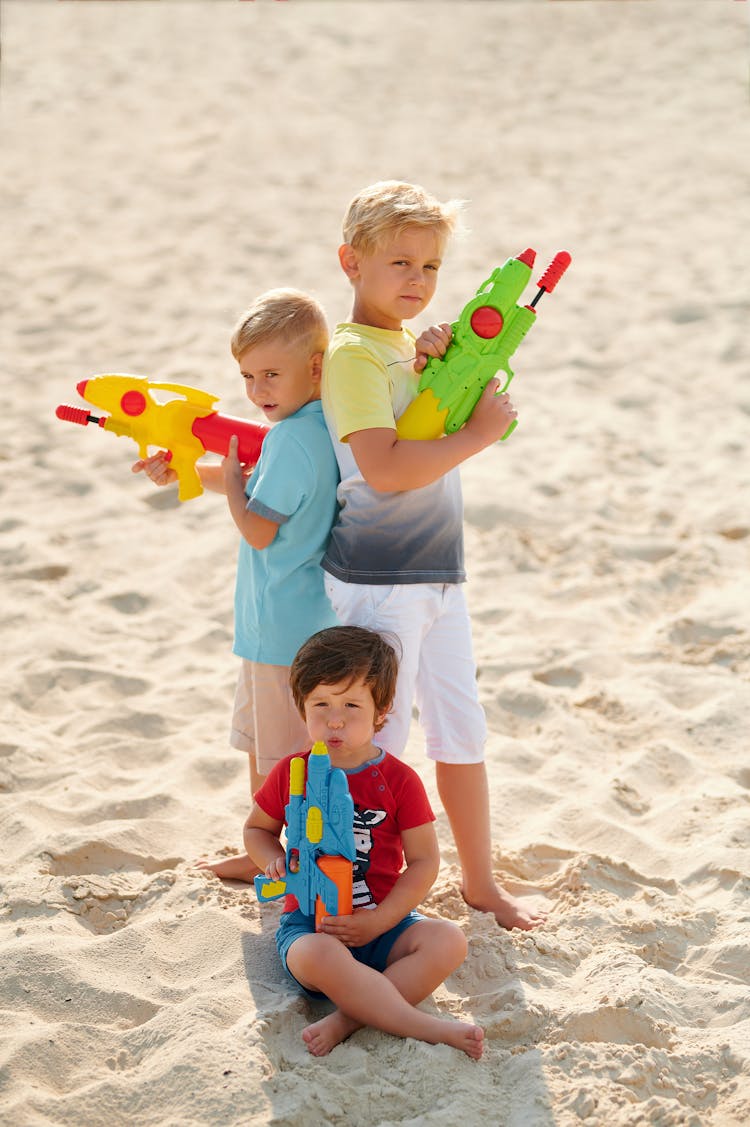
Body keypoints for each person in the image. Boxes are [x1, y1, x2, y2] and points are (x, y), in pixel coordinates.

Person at [320, 180, 546, 931]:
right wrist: (479, 436)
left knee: (462, 728)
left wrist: (441, 370)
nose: (416, 281)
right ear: (351, 262)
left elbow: (421, 426)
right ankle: (363, 895)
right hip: (380, 580)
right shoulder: (353, 355)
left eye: (431, 267)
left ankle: (479, 882)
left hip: (437, 574)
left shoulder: (400, 347)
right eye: (399, 263)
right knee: (378, 740)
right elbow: (385, 469)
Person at [132, 289, 339, 879]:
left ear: (316, 366)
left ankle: (285, 861)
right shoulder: (315, 425)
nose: (257, 392)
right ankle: (264, 849)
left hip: (284, 627)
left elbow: (257, 529)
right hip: (279, 621)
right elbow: (260, 486)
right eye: (247, 376)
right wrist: (186, 470)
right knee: (265, 747)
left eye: (272, 374)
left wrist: (226, 477)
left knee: (280, 756)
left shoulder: (292, 440)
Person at [245, 625, 484, 1059]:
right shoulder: (291, 772)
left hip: (384, 923)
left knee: (449, 940)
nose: (334, 720)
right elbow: (256, 830)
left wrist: (380, 921)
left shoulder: (400, 781)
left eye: (351, 705)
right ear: (302, 707)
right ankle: (423, 1026)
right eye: (321, 704)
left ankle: (347, 1018)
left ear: (382, 709)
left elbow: (425, 861)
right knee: (318, 955)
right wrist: (272, 859)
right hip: (313, 928)